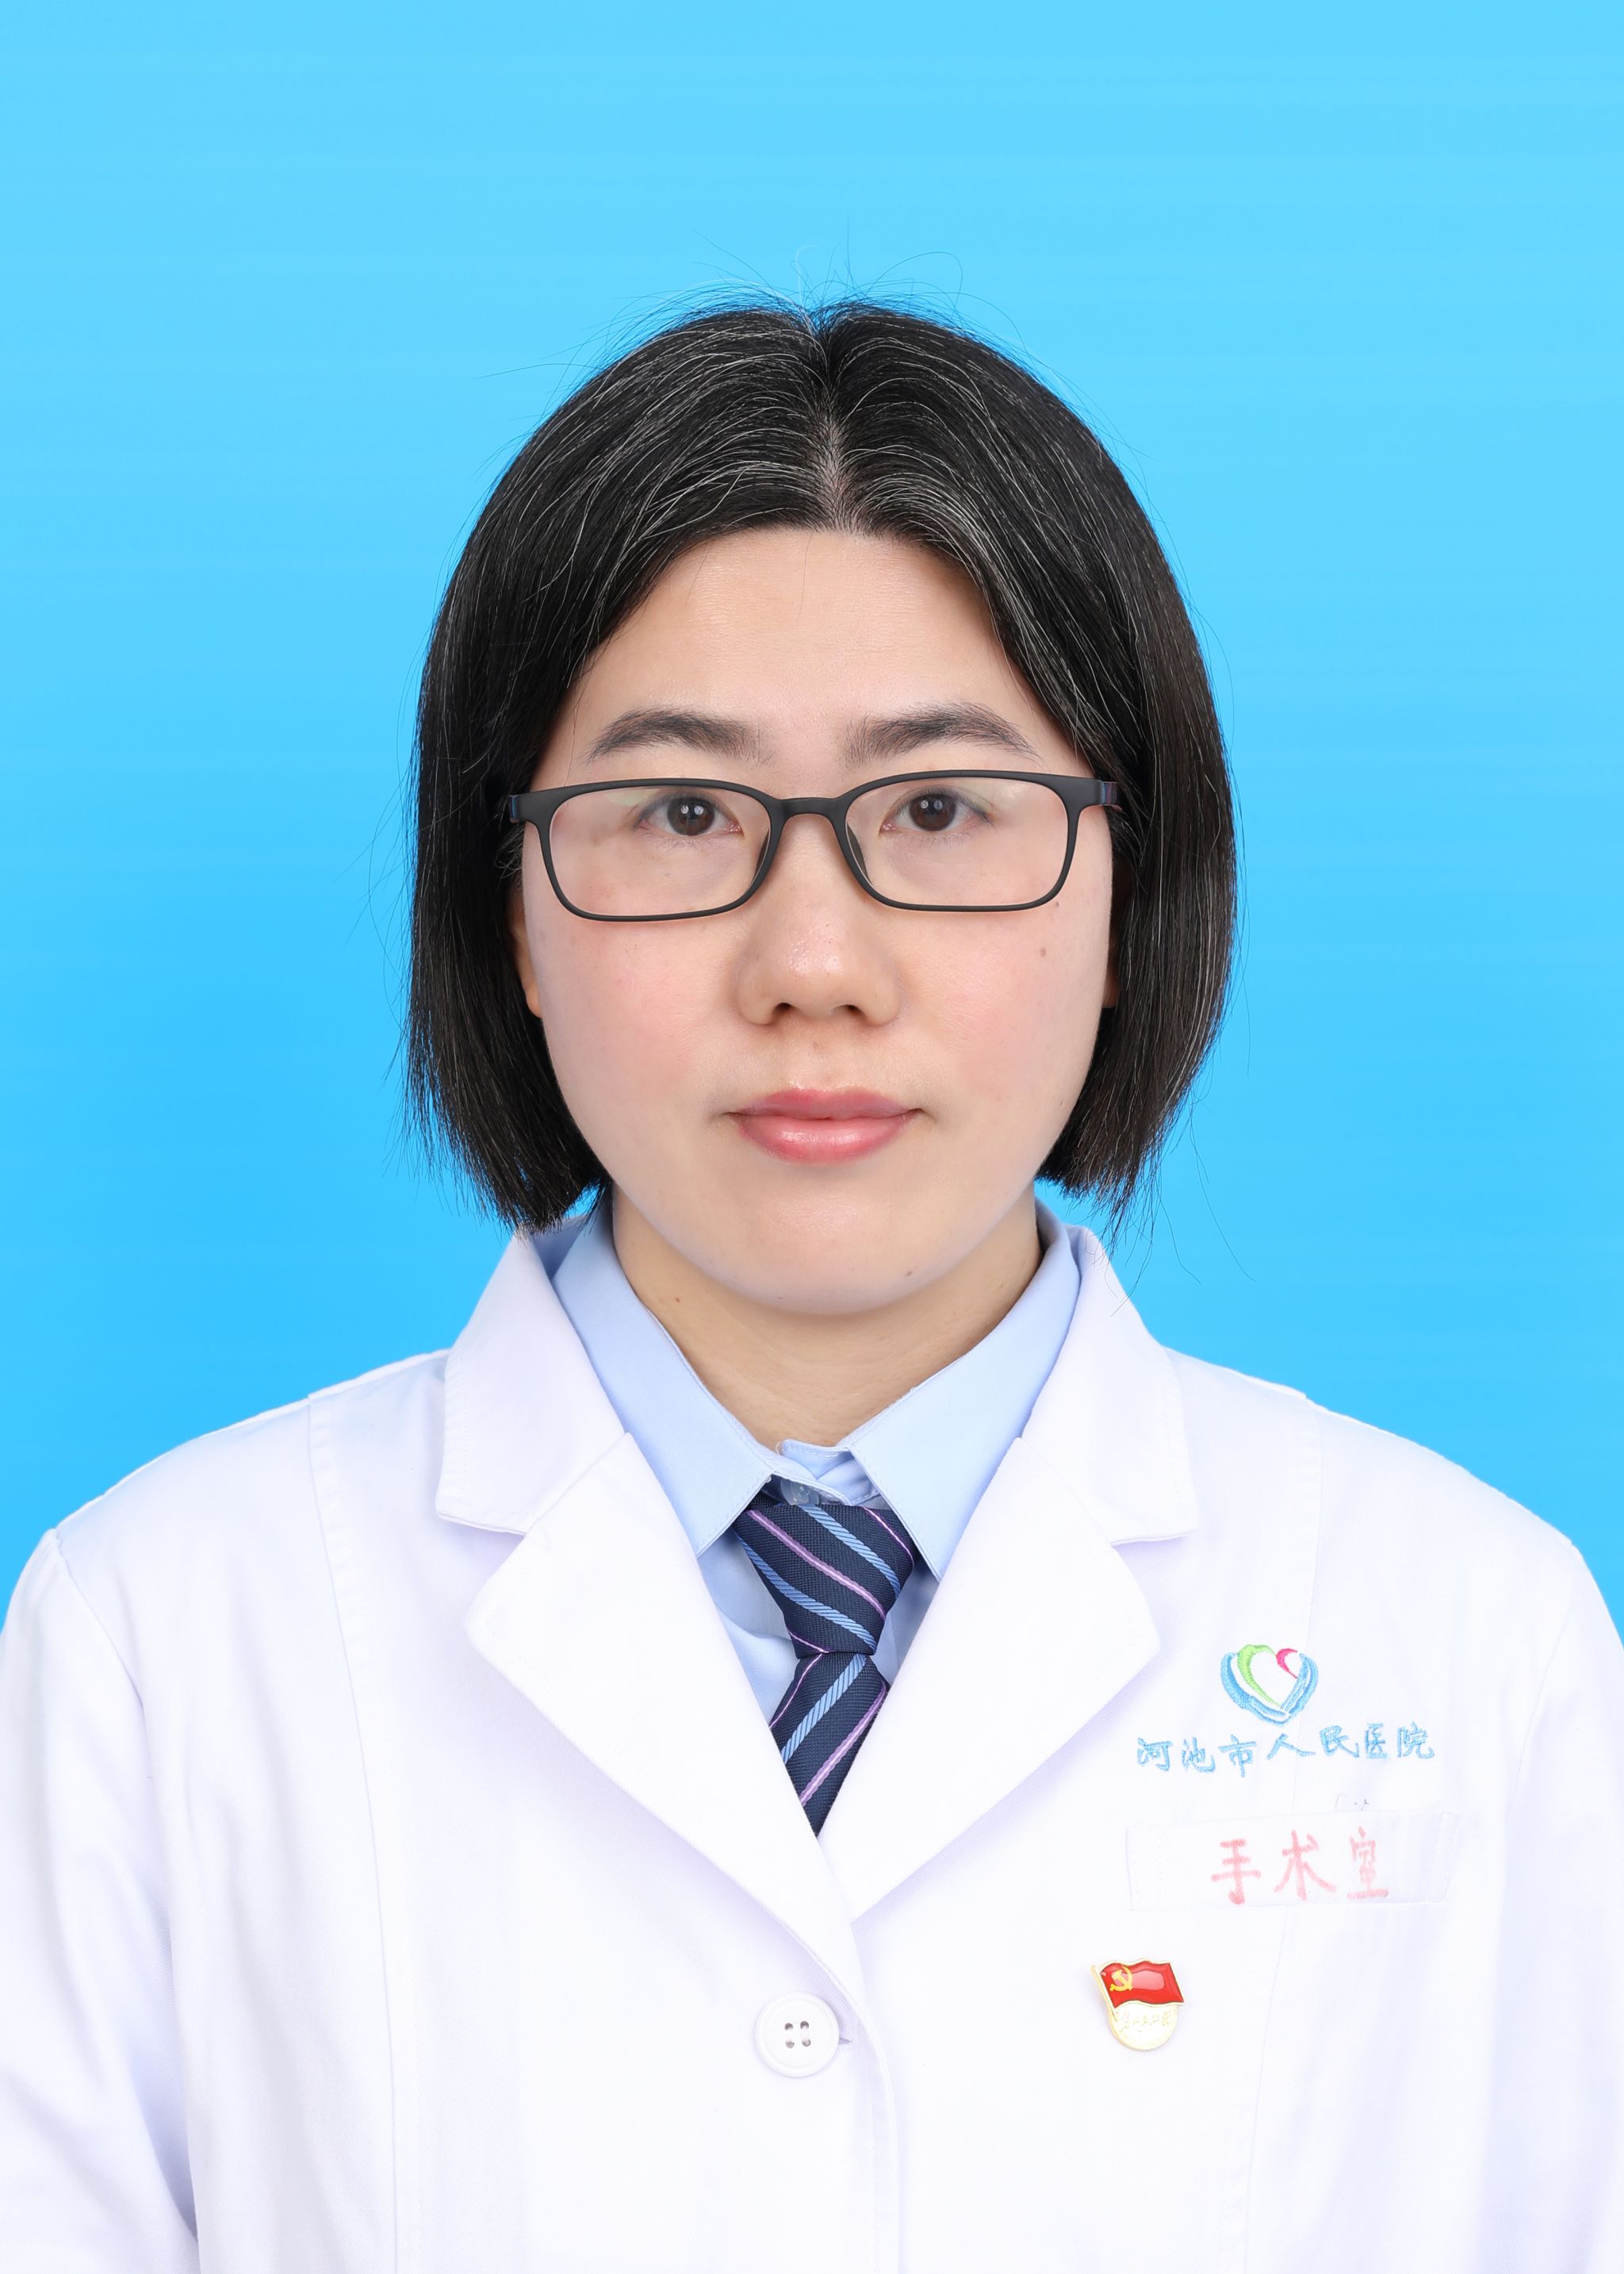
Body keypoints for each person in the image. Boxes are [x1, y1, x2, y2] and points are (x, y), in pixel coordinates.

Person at [2, 297, 1620, 2274]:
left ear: (1132, 889)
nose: (815, 965)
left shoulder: (1466, 1639)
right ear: (506, 913)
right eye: (683, 814)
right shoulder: (161, 1638)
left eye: (938, 811)